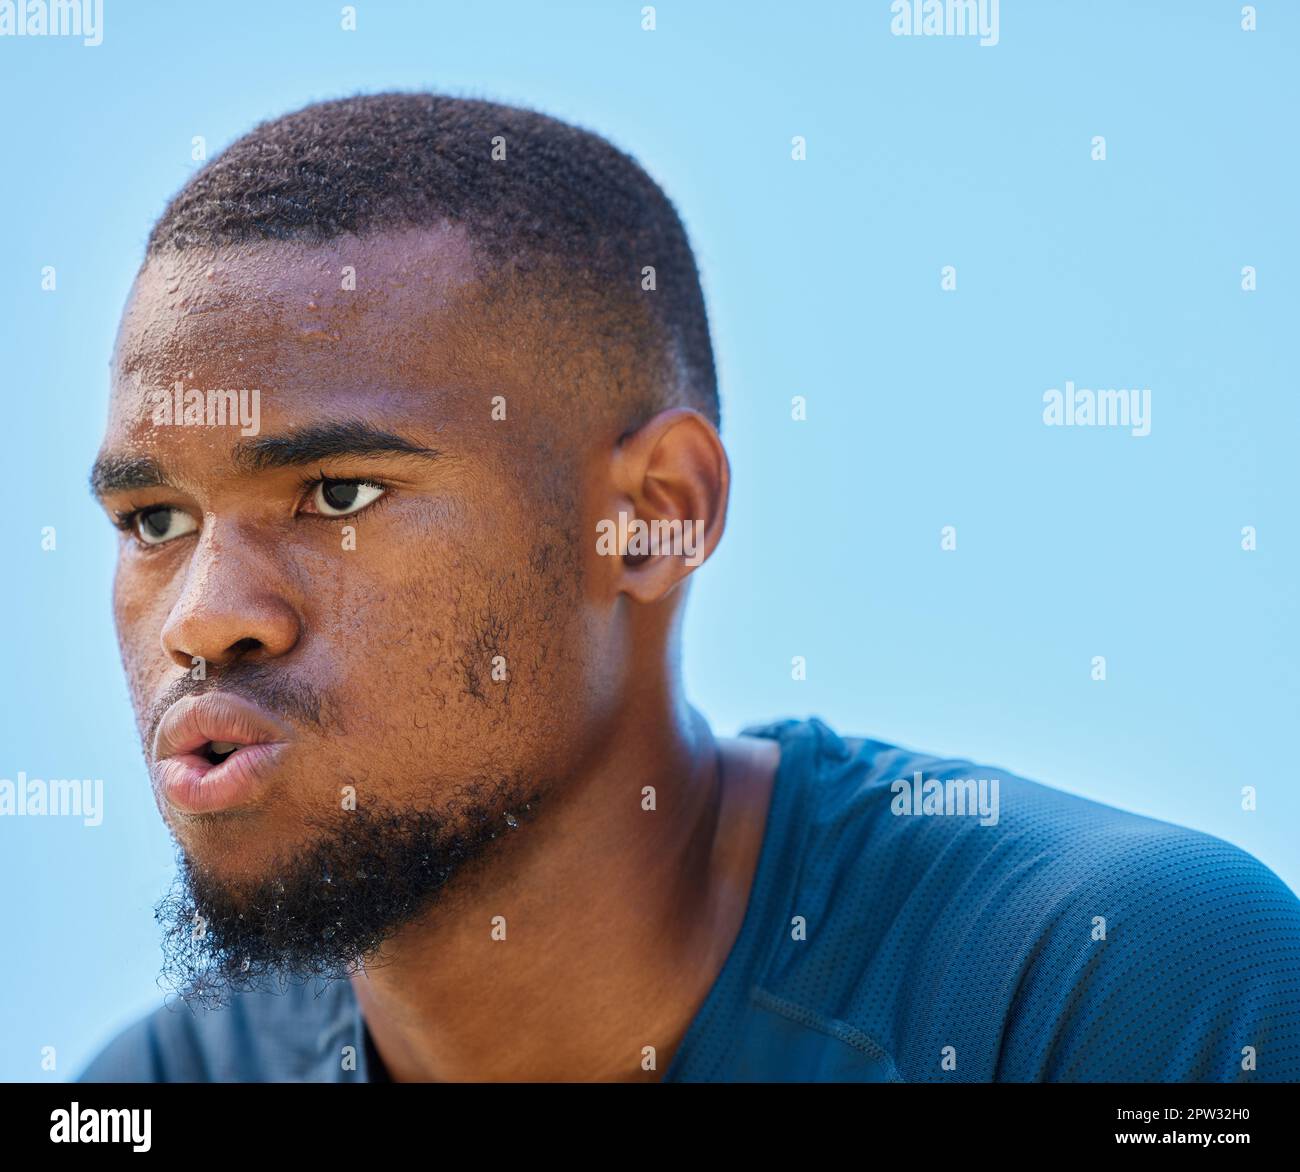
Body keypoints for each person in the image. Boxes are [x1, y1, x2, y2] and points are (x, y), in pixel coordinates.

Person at [79, 93, 1300, 1082]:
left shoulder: (1110, 983)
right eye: (153, 518)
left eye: (337, 495)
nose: (202, 615)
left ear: (654, 515)